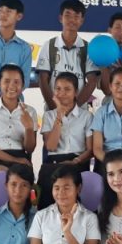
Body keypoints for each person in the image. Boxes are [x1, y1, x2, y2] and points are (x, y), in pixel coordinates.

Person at [37, 72, 94, 209]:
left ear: (76, 92)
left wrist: (75, 161)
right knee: (46, 203)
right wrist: (59, 116)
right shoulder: (49, 116)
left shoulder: (86, 116)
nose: (62, 93)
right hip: (54, 163)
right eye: (58, 89)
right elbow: (51, 146)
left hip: (78, 162)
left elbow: (90, 150)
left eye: (67, 89)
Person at [36, 0, 99, 110]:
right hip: (52, 110)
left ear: (82, 20)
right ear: (61, 18)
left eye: (76, 16)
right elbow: (42, 79)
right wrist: (54, 108)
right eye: (68, 15)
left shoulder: (88, 48)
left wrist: (74, 108)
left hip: (79, 111)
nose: (72, 20)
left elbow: (92, 81)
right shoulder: (49, 45)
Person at [0, 64, 38, 175]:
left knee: (20, 175)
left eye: (16, 82)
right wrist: (14, 160)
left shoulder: (30, 111)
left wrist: (29, 128)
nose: (12, 86)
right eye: (7, 81)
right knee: (0, 171)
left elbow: (30, 149)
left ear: (22, 85)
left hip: (21, 157)